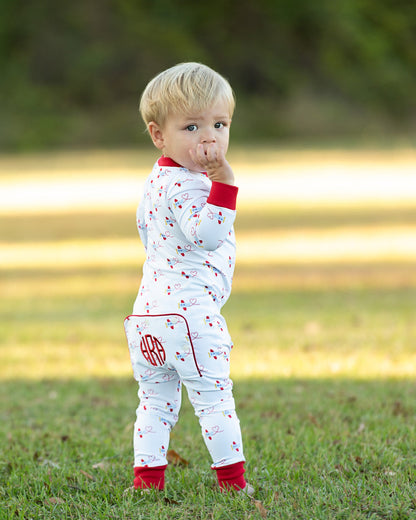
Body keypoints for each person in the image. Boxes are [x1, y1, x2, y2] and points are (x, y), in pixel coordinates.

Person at [124, 62, 252, 494]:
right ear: (159, 134)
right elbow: (209, 235)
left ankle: (147, 480)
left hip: (147, 314)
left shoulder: (157, 181)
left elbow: (145, 231)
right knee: (214, 398)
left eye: (219, 124)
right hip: (190, 314)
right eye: (192, 127)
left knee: (155, 401)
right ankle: (233, 483)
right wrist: (226, 185)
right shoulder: (193, 186)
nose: (209, 138)